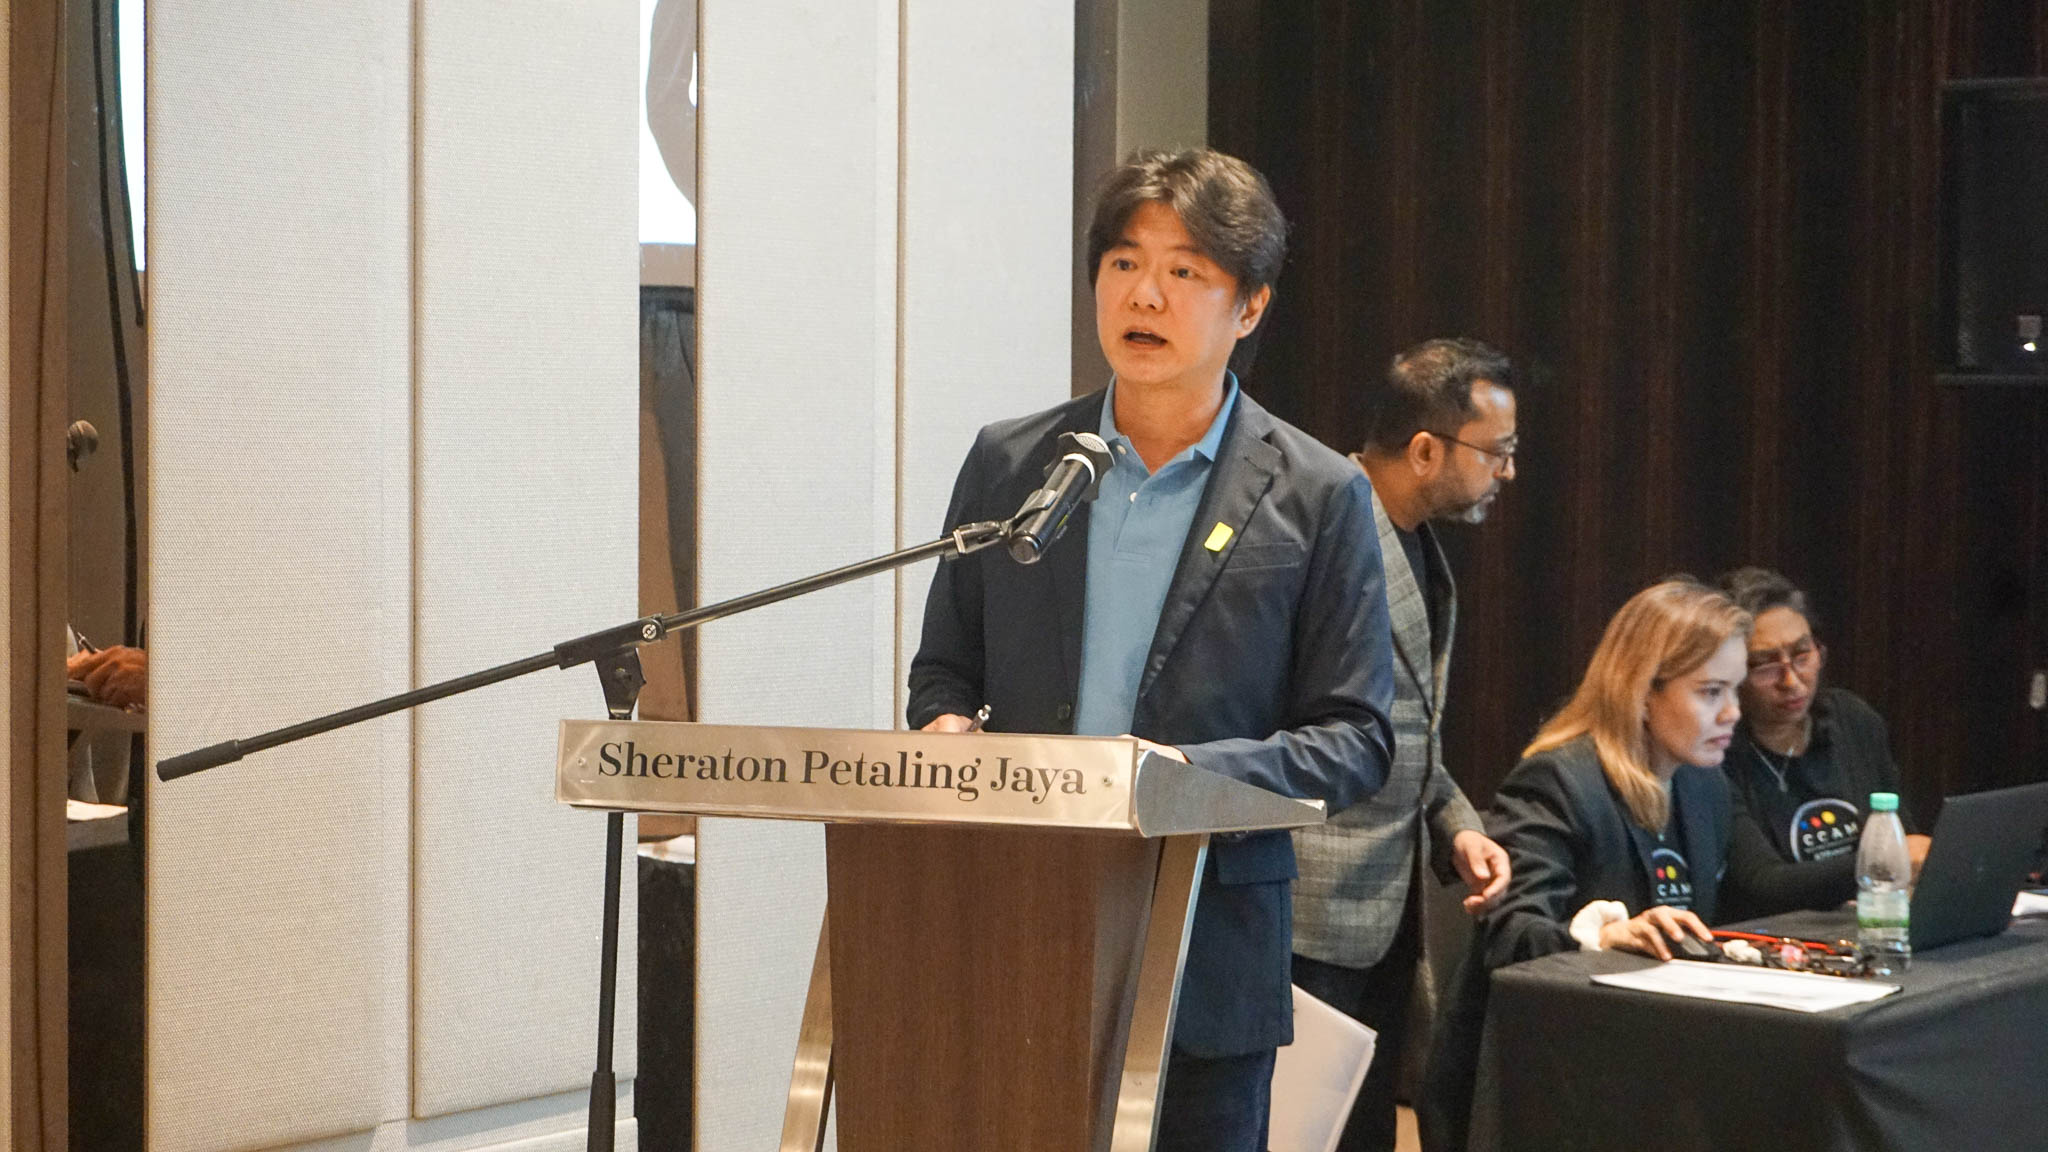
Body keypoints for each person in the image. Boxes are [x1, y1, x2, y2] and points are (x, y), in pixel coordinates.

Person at [908, 147, 1398, 1152]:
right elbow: (944, 669)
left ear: (1249, 307)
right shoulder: (1013, 462)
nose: (1145, 294)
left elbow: (1354, 739)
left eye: (1185, 271)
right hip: (1016, 924)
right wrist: (947, 729)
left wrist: (1184, 777)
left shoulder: (1317, 493)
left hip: (1206, 946)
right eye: (1124, 263)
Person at [1421, 580, 1748, 1152]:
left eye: (1736, 689)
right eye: (1711, 691)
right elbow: (1510, 936)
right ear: (1643, 692)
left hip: (1642, 1068)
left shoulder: (1705, 785)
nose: (1733, 712)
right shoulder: (1558, 781)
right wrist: (1599, 938)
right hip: (1536, 1087)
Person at [1290, 337, 1517, 1152]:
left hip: (1386, 911)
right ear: (1425, 450)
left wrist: (1455, 823)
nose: (1509, 471)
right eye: (1497, 451)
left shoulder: (1415, 540)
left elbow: (1403, 725)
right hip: (1307, 911)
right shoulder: (1316, 528)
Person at [1716, 566, 1928, 919]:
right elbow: (1762, 884)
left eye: (1802, 655)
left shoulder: (1851, 721)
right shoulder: (1717, 750)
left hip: (1866, 924)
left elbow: (1901, 836)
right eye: (1765, 665)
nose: (1791, 680)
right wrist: (1882, 861)